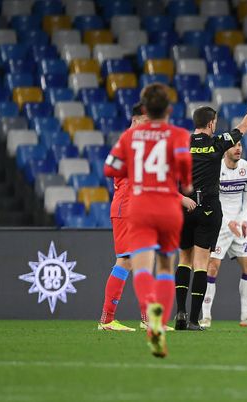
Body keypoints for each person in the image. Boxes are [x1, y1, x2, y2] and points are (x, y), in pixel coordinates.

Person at [104, 83, 193, 357]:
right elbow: (186, 177)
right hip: (163, 207)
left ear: (146, 110)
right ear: (168, 109)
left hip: (139, 207)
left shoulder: (130, 140)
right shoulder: (177, 134)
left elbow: (110, 168)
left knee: (139, 266)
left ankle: (147, 321)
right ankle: (146, 322)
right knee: (164, 266)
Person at [175, 83, 247, 331]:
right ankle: (196, 319)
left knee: (183, 260)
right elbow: (245, 126)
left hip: (182, 208)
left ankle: (181, 314)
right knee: (201, 263)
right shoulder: (217, 143)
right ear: (211, 124)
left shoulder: (180, 145)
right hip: (208, 209)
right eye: (214, 122)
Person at [200, 141, 247, 328]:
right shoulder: (215, 169)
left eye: (240, 145)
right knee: (212, 268)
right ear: (225, 150)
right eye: (233, 146)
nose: (238, 148)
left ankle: (246, 315)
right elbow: (210, 202)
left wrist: (244, 220)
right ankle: (206, 316)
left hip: (238, 225)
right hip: (219, 224)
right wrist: (226, 221)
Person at [97, 102, 147, 332]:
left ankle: (149, 318)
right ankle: (107, 320)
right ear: (136, 120)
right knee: (126, 261)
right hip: (127, 207)